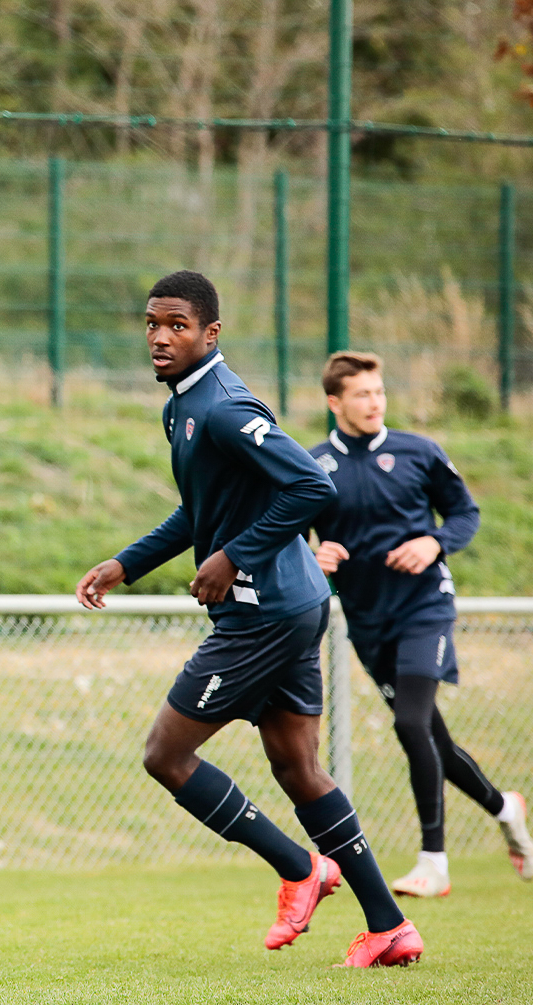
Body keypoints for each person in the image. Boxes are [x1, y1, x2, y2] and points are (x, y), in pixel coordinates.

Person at [75, 270, 423, 968]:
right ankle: (388, 925)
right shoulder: (181, 409)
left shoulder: (227, 405)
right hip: (290, 605)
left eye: (177, 325)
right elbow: (199, 510)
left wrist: (233, 556)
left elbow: (310, 483)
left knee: (165, 756)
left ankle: (301, 868)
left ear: (211, 333)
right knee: (299, 768)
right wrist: (126, 564)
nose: (160, 337)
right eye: (151, 324)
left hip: (263, 614)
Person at [309, 351, 533, 896]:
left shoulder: (419, 452)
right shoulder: (311, 466)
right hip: (367, 621)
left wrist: (433, 541)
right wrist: (313, 557)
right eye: (362, 394)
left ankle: (434, 863)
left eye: (379, 392)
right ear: (335, 401)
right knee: (429, 734)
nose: (374, 402)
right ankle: (505, 807)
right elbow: (290, 536)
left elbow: (465, 514)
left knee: (410, 724)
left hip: (424, 607)